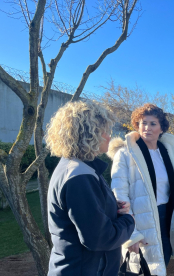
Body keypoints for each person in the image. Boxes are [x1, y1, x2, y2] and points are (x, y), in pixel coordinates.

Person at [46, 100, 135, 276]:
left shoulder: (76, 167)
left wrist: (112, 209)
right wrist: (128, 220)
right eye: (104, 131)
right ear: (87, 134)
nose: (109, 136)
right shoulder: (79, 176)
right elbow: (100, 238)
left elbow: (86, 216)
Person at [107, 103, 174, 276]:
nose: (147, 128)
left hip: (166, 217)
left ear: (161, 128)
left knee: (162, 262)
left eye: (153, 124)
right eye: (143, 123)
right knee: (142, 268)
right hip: (140, 219)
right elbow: (119, 194)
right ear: (137, 125)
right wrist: (131, 234)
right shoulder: (125, 153)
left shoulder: (169, 152)